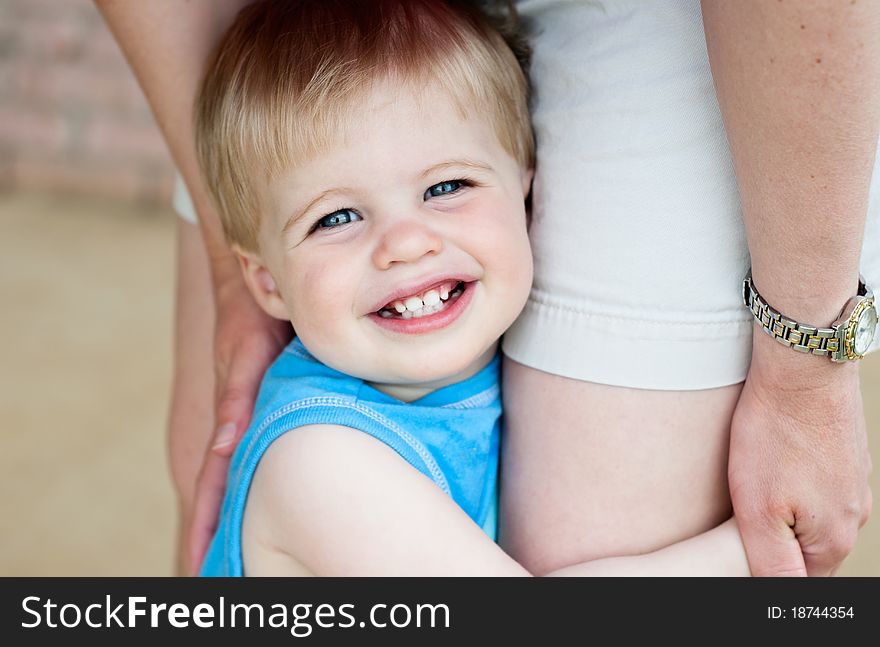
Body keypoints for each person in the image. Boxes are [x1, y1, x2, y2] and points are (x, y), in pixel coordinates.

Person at [94, 0, 878, 576]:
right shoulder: (320, 462)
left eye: (446, 188)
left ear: (531, 197)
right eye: (336, 216)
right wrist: (756, 552)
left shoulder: (446, 383)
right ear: (262, 280)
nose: (405, 242)